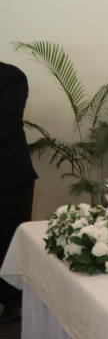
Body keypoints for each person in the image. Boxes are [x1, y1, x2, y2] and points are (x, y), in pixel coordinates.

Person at [0, 61, 38, 324]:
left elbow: (3, 123)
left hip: (7, 178)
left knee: (6, 241)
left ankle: (12, 302)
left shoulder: (10, 76)